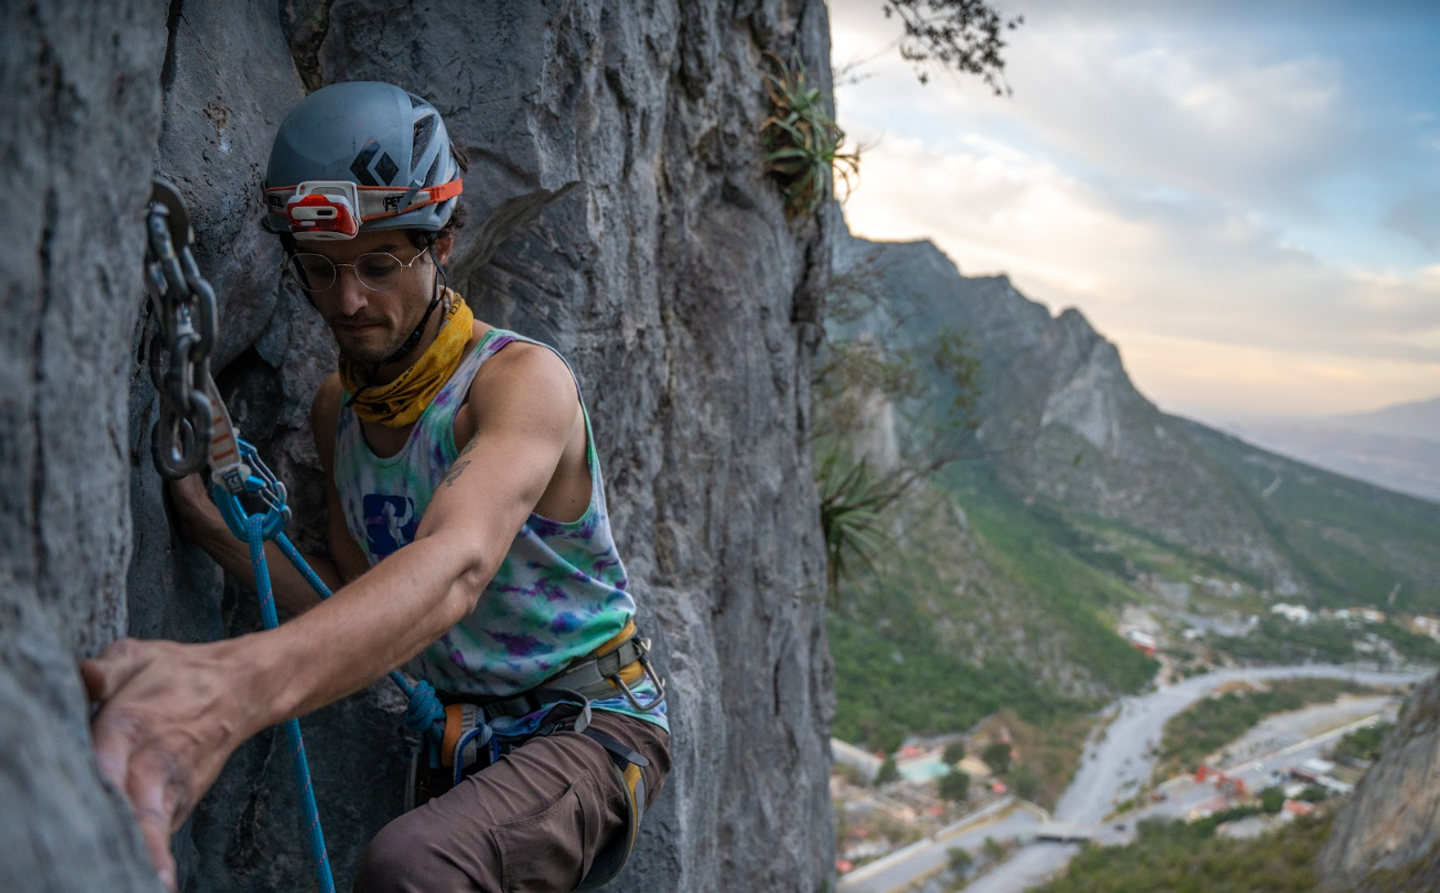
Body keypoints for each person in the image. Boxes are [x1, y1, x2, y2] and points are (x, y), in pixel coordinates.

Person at [82, 81, 669, 893]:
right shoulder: (340, 411)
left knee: (413, 865)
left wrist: (229, 686)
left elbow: (457, 564)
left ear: (443, 244)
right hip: (464, 731)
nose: (348, 300)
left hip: (591, 725)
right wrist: (212, 526)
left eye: (381, 264)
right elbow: (360, 599)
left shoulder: (517, 383)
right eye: (319, 270)